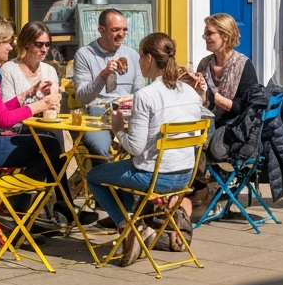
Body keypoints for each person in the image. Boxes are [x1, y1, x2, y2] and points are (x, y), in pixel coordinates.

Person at [0, 16, 96, 225]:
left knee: (47, 146)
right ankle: (19, 211)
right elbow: (4, 120)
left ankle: (29, 210)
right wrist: (40, 105)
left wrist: (25, 96)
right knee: (49, 145)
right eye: (8, 41)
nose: (11, 46)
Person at [87, 32, 208, 266]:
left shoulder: (146, 95)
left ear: (149, 58)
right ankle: (135, 226)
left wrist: (118, 129)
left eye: (140, 57)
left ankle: (129, 227)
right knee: (117, 173)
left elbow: (134, 148)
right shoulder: (191, 93)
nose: (138, 63)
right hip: (184, 176)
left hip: (155, 177)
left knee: (94, 176)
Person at [72, 9, 143, 160]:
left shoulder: (132, 55)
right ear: (101, 30)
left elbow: (139, 92)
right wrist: (103, 75)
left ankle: (129, 181)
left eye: (124, 30)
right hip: (98, 112)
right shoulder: (85, 54)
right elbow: (83, 97)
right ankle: (105, 180)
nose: (121, 34)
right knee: (101, 148)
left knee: (146, 144)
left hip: (128, 113)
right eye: (115, 30)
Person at [191, 14, 259, 129]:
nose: (205, 37)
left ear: (225, 36)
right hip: (205, 126)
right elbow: (199, 103)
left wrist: (215, 97)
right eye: (205, 34)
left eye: (210, 33)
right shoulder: (204, 64)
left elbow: (246, 107)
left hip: (233, 129)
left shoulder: (243, 65)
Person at [0, 22, 61, 131]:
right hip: (17, 130)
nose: (44, 49)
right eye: (38, 44)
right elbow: (6, 110)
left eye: (47, 44)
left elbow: (54, 109)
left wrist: (55, 102)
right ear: (26, 43)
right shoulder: (9, 70)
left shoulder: (50, 71)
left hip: (46, 127)